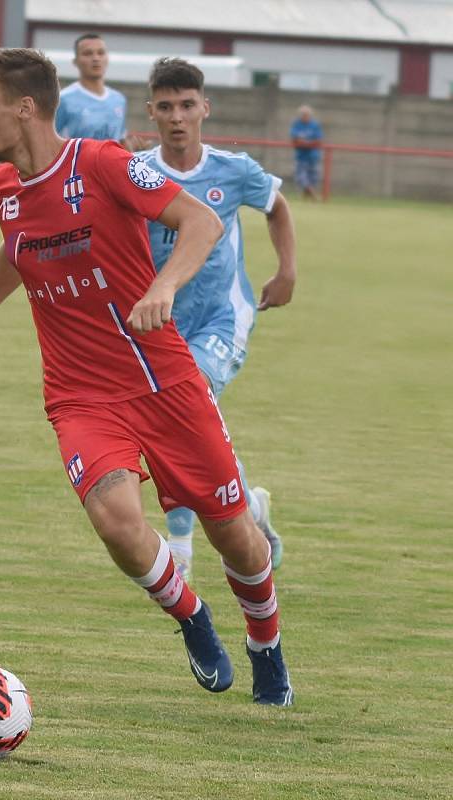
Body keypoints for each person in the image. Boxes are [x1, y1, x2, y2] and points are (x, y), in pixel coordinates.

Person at [0, 47, 293, 706]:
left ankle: (266, 647)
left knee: (236, 536)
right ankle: (194, 619)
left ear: (24, 109)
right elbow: (18, 246)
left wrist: (165, 286)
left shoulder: (104, 164)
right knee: (116, 521)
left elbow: (198, 222)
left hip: (163, 380)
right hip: (80, 394)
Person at [138, 58, 297, 583]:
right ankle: (249, 508)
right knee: (183, 426)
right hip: (159, 326)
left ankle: (180, 549)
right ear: (152, 112)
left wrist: (287, 271)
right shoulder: (138, 173)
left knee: (183, 406)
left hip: (222, 321)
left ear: (205, 107)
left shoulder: (234, 170)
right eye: (166, 107)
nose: (178, 116)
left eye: (187, 105)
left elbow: (277, 206)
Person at [55, 33, 127, 142]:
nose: (96, 58)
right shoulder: (63, 100)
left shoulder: (119, 100)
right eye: (88, 53)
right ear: (75, 61)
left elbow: (121, 139)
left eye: (101, 53)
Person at [290, 104, 323, 200]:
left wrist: (305, 142)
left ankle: (305, 198)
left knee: (313, 179)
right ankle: (314, 196)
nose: (305, 116)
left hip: (313, 156)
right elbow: (295, 139)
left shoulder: (315, 125)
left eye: (307, 114)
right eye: (303, 114)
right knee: (301, 178)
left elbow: (318, 140)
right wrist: (308, 142)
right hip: (301, 157)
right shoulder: (297, 125)